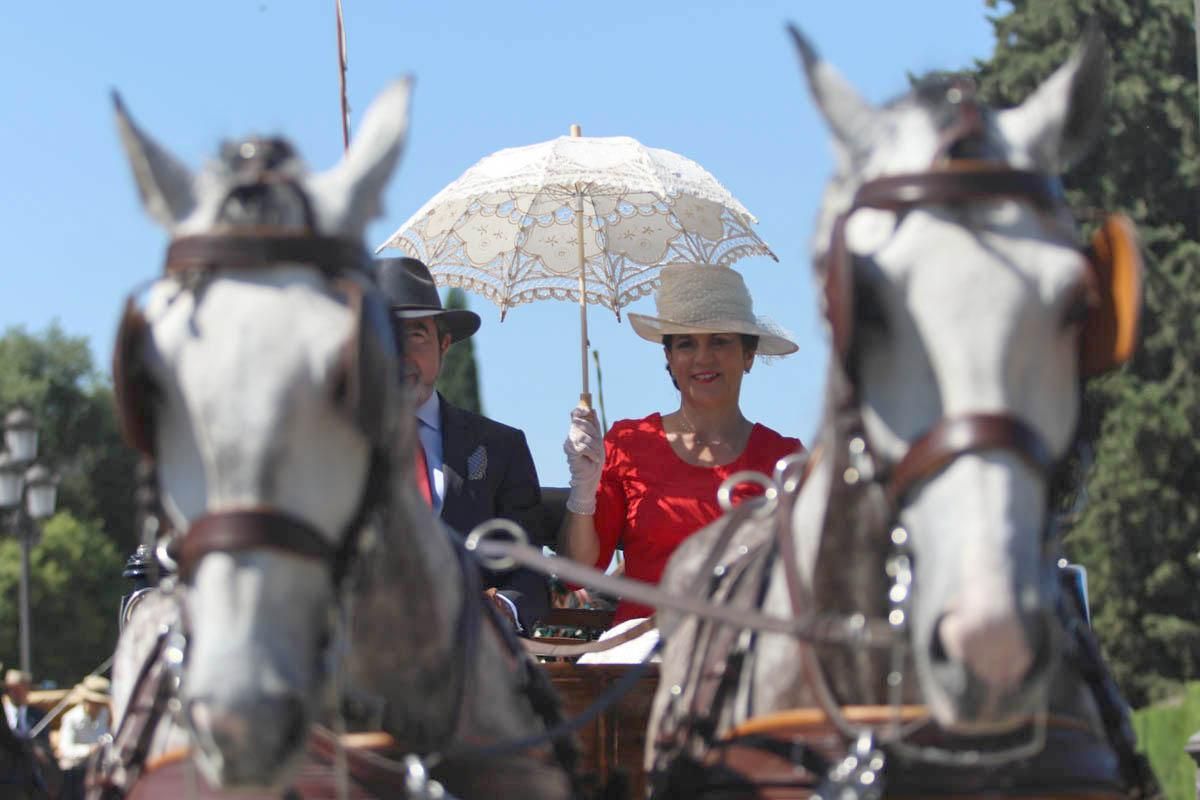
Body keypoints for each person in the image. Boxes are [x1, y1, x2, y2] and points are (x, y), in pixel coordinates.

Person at [559, 263, 803, 626]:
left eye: (719, 341)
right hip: (639, 653)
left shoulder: (783, 458)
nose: (703, 357)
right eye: (687, 344)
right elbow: (579, 573)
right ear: (670, 359)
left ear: (748, 355)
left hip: (742, 653)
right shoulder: (628, 444)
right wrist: (583, 489)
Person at [377, 256, 551, 635]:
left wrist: (502, 610)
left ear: (444, 344)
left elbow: (529, 573)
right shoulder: (332, 446)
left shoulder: (501, 448)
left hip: (469, 660)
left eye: (416, 334)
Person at [57, 675, 111, 799]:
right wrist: (89, 750)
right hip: (75, 774)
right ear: (86, 700)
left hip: (98, 772)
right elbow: (65, 749)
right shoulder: (71, 718)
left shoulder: (105, 715)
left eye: (100, 704)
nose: (98, 707)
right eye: (95, 703)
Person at [2, 670, 44, 741]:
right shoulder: (2, 714)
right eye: (14, 689)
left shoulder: (39, 715)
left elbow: (44, 743)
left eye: (22, 688)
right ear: (7, 690)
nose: (18, 693)